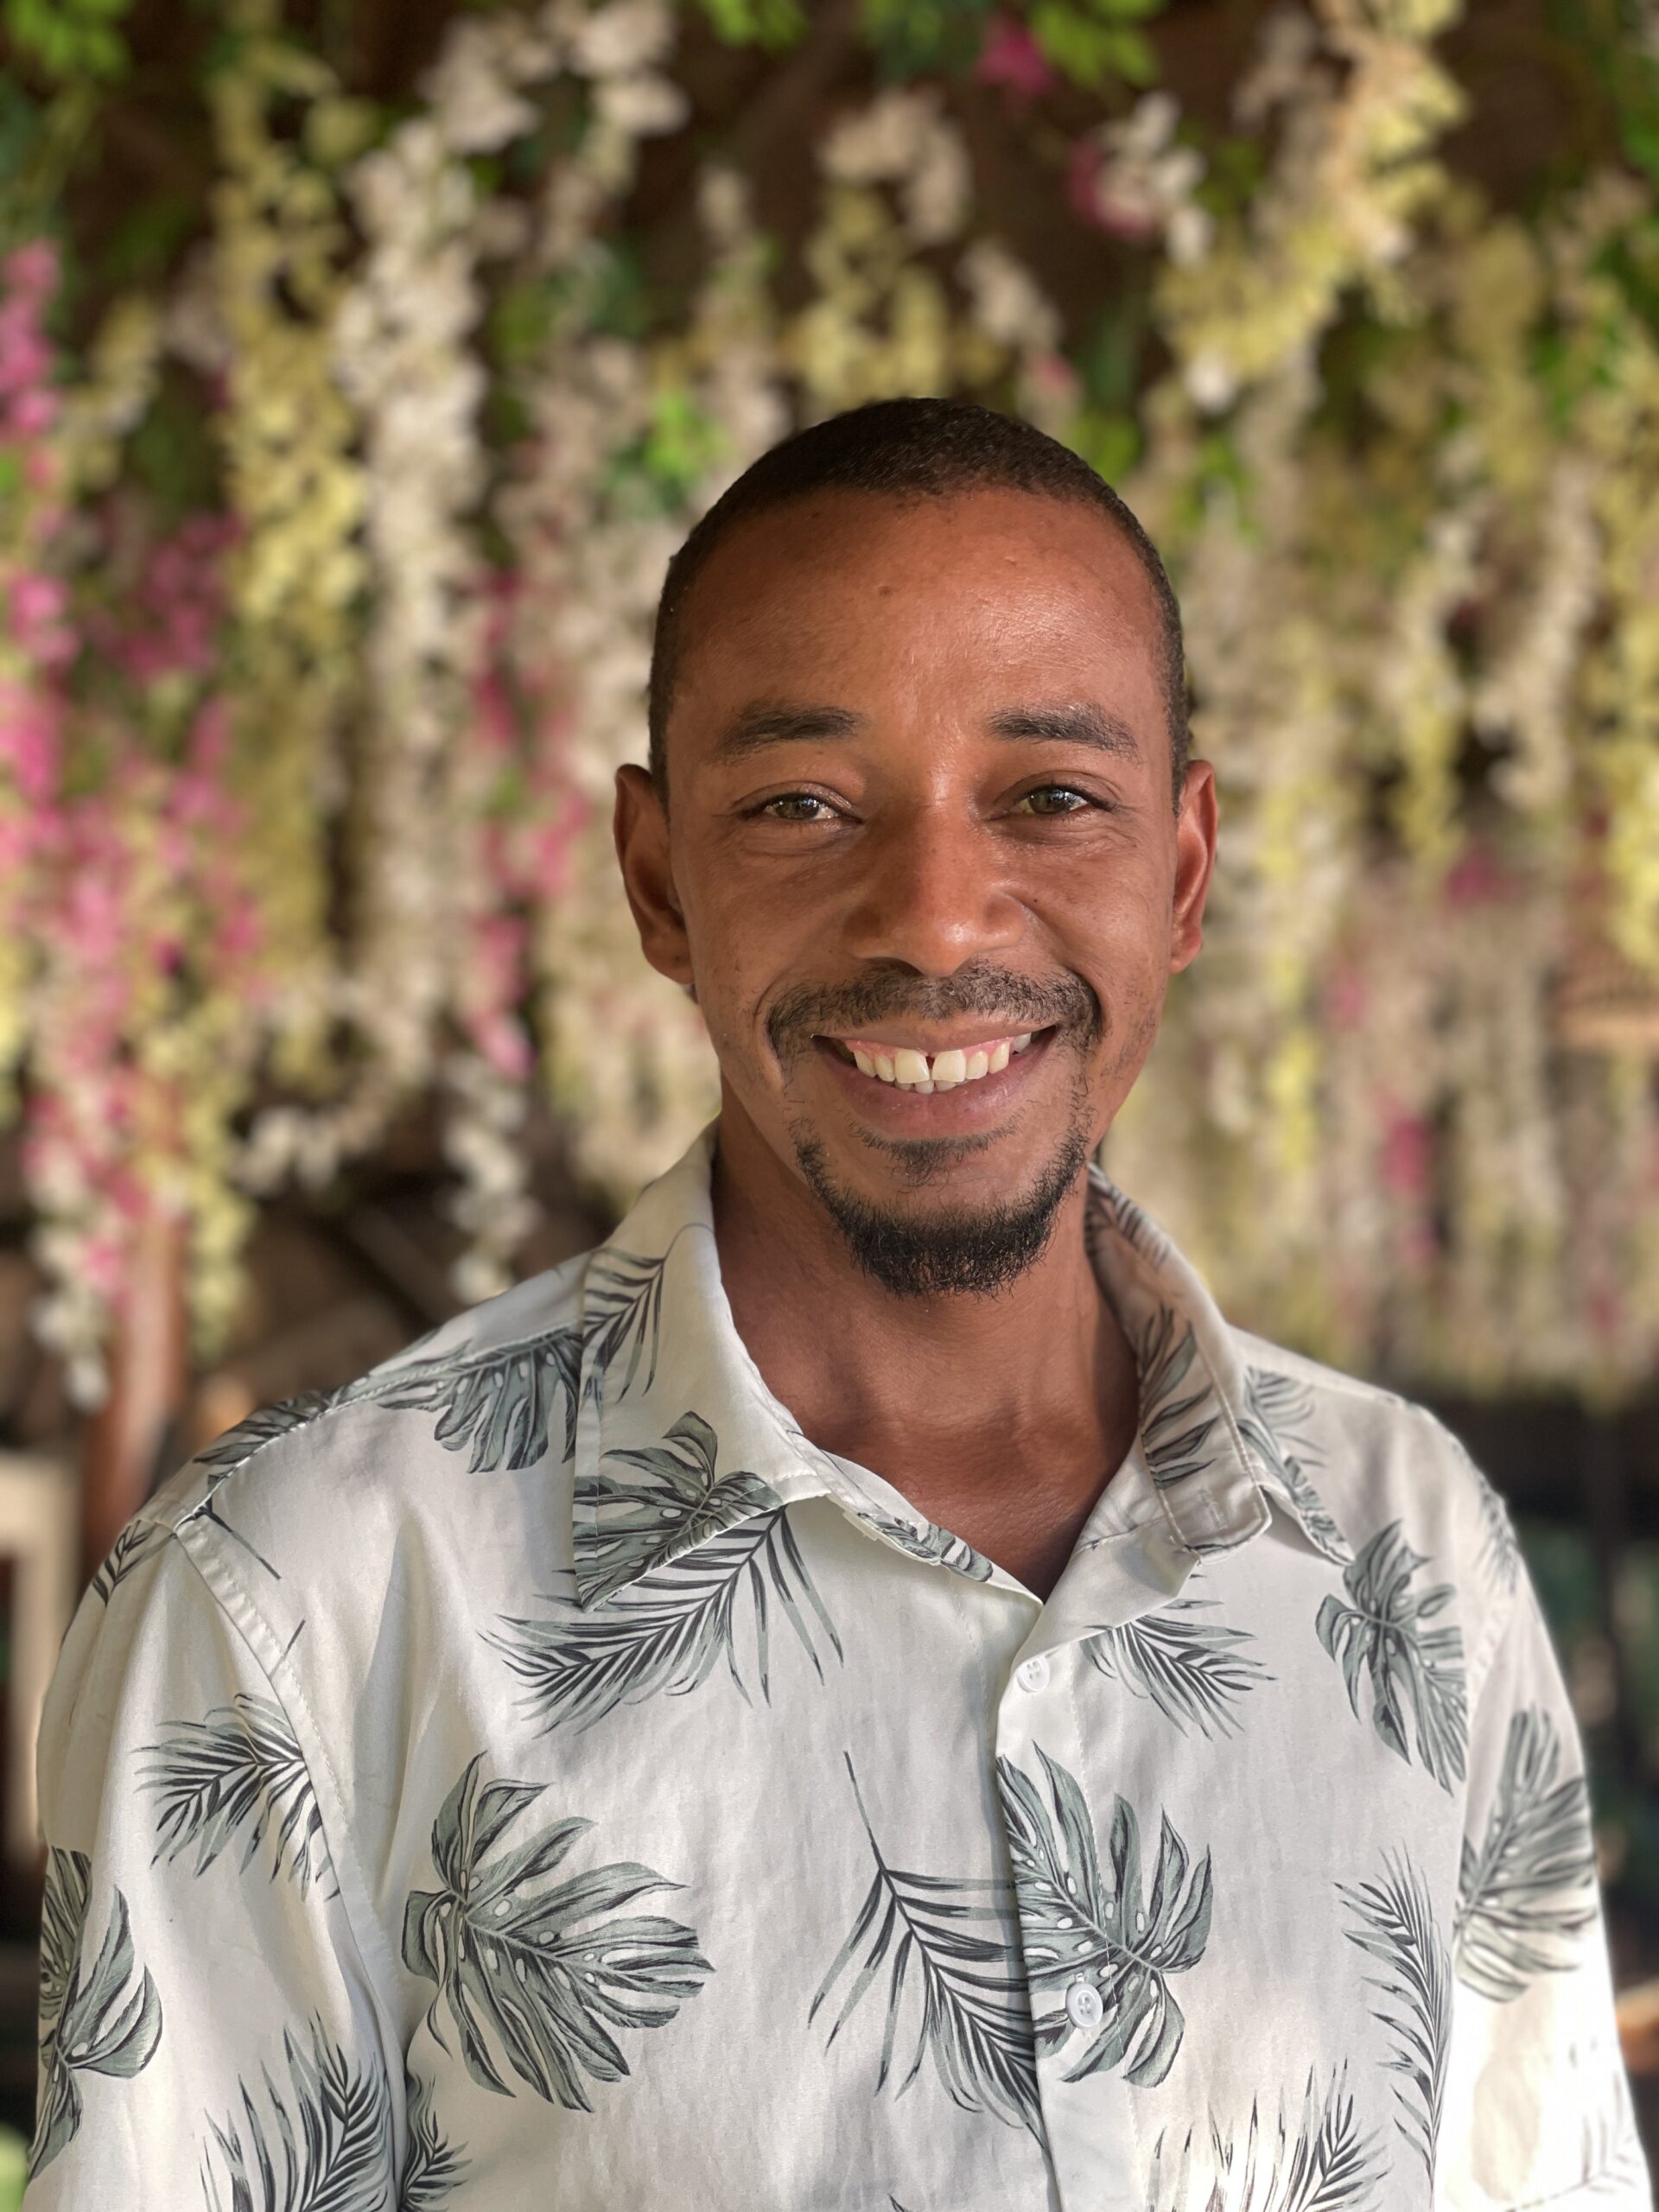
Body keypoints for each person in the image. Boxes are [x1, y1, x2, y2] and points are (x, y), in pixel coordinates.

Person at [27, 398, 1650, 2211]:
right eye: (803, 803)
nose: (942, 918)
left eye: (1050, 796)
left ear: (1180, 872)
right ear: (658, 879)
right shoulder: (301, 1598)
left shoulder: (1405, 1541)